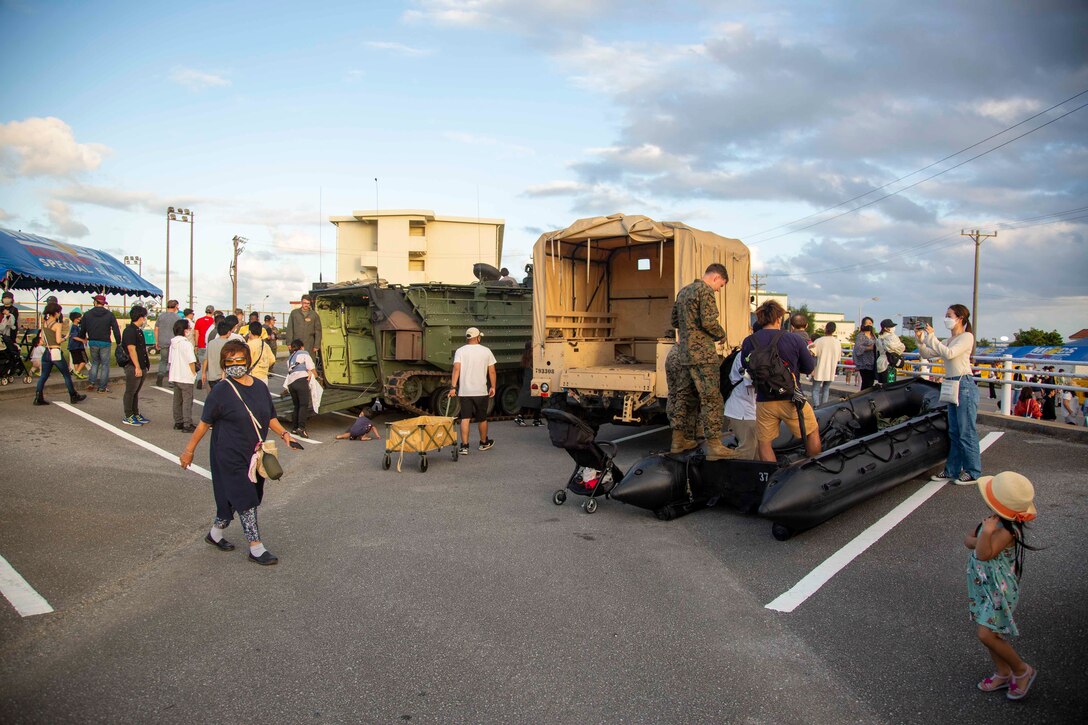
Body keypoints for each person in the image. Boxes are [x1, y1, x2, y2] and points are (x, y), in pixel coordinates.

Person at [180, 340, 295, 566]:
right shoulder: (221, 391)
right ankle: (256, 548)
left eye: (239, 360)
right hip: (228, 453)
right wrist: (188, 451)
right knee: (245, 498)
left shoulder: (260, 387)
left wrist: (284, 434)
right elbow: (203, 424)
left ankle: (214, 534)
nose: (235, 365)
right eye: (229, 361)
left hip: (253, 453)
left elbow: (269, 416)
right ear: (224, 364)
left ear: (248, 361)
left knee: (237, 498)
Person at [965, 471, 1038, 700]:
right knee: (991, 634)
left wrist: (986, 535)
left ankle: (1021, 670)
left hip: (999, 590)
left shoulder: (1007, 531)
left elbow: (985, 554)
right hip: (983, 586)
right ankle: (1003, 672)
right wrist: (982, 535)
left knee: (986, 635)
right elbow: (968, 541)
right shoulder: (991, 521)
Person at [741, 299, 820, 462]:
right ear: (778, 319)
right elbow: (809, 368)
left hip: (763, 400)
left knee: (765, 443)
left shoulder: (749, 341)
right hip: (792, 399)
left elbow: (746, 367)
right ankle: (814, 468)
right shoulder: (794, 339)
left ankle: (772, 478)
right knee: (812, 431)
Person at [668, 263, 733, 459]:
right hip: (703, 354)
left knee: (684, 395)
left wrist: (689, 331)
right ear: (716, 277)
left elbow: (674, 321)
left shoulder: (684, 291)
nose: (718, 289)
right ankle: (714, 446)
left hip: (685, 353)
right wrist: (721, 334)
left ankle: (678, 441)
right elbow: (708, 322)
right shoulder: (704, 291)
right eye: (720, 285)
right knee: (711, 398)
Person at [917, 304, 980, 485]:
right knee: (954, 431)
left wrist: (932, 336)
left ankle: (972, 471)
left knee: (966, 431)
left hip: (964, 384)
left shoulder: (966, 337)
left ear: (960, 318)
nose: (946, 318)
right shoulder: (948, 339)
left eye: (949, 315)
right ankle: (952, 470)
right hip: (952, 384)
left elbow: (950, 354)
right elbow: (927, 353)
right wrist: (921, 339)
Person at [449, 326, 497, 454]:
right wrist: (493, 386)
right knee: (482, 418)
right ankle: (483, 443)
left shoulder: (460, 351)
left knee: (465, 418)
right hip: (481, 391)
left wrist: (453, 387)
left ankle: (464, 446)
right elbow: (491, 371)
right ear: (478, 337)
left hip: (465, 391)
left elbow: (456, 369)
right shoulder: (486, 351)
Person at [33, 303, 87, 406]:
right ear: (56, 312)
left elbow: (43, 340)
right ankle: (73, 395)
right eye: (59, 312)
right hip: (56, 352)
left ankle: (38, 397)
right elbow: (58, 340)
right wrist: (65, 337)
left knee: (44, 376)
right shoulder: (57, 325)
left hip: (47, 352)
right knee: (66, 375)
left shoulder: (44, 323)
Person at [723, 342, 757, 459]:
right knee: (747, 449)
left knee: (756, 448)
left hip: (747, 410)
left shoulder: (754, 353)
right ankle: (740, 475)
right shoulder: (745, 355)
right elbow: (751, 383)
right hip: (742, 411)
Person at [82, 294, 122, 393]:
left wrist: (83, 336)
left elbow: (83, 328)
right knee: (105, 364)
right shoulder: (109, 314)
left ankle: (91, 382)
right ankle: (102, 387)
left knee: (95, 362)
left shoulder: (87, 314)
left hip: (93, 341)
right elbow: (115, 328)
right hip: (105, 342)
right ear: (103, 303)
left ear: (95, 302)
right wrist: (118, 341)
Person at [120, 305, 152, 426]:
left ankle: (135, 413)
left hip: (142, 366)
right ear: (140, 317)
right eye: (144, 317)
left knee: (136, 391)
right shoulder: (129, 331)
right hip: (133, 366)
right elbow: (131, 349)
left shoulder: (139, 331)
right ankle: (128, 415)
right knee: (130, 391)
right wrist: (137, 367)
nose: (145, 319)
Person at [168, 319, 197, 432]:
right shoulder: (186, 344)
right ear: (185, 331)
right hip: (185, 376)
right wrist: (194, 373)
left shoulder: (173, 344)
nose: (190, 331)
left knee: (177, 400)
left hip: (175, 375)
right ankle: (187, 424)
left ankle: (178, 421)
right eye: (189, 329)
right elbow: (191, 361)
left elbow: (170, 360)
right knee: (187, 401)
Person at [284, 339, 316, 438]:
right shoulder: (304, 353)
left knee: (297, 405)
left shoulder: (289, 359)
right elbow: (311, 368)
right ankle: (301, 428)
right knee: (303, 405)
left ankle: (294, 428)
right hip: (301, 381)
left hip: (291, 383)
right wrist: (316, 375)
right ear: (301, 347)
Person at [203, 320, 240, 390]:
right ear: (229, 332)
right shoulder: (229, 345)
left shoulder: (211, 343)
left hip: (211, 376)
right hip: (224, 376)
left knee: (214, 396)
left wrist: (203, 373)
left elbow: (206, 359)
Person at [513, 340, 543, 427]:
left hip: (528, 380)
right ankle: (524, 417)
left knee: (534, 398)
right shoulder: (533, 358)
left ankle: (535, 418)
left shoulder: (525, 358)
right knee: (536, 398)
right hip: (532, 379)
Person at [810, 322, 840, 407]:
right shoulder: (837, 342)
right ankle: (824, 406)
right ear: (834, 330)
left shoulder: (819, 341)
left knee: (815, 389)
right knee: (826, 388)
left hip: (819, 368)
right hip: (831, 369)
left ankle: (816, 406)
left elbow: (812, 352)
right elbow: (838, 357)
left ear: (825, 329)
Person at [286, 294, 321, 360]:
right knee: (296, 362)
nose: (306, 305)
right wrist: (289, 343)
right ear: (301, 302)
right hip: (296, 344)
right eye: (304, 303)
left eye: (308, 303)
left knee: (309, 363)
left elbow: (318, 331)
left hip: (309, 344)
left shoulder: (314, 315)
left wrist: (316, 345)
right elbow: (290, 328)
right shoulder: (294, 313)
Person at [154, 299, 181, 387]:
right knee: (172, 362)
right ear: (175, 306)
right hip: (173, 342)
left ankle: (160, 376)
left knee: (163, 360)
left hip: (163, 341)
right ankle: (171, 381)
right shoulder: (177, 317)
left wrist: (157, 341)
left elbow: (156, 329)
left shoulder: (161, 316)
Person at [874, 318, 905, 386]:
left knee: (883, 385)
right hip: (889, 362)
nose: (893, 328)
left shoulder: (879, 338)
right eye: (891, 326)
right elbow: (901, 348)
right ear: (885, 328)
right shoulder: (892, 337)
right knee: (890, 385)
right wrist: (902, 345)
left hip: (880, 362)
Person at [193, 305, 216, 389]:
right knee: (208, 365)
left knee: (202, 363)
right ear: (213, 312)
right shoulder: (213, 321)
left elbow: (196, 333)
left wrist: (196, 344)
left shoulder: (199, 320)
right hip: (209, 345)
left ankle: (199, 378)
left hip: (200, 345)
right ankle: (202, 379)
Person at [853, 316, 877, 389]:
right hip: (863, 363)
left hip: (872, 362)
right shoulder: (860, 336)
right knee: (866, 382)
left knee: (870, 382)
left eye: (871, 323)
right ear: (863, 325)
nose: (869, 325)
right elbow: (857, 349)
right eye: (868, 323)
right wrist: (869, 348)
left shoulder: (874, 336)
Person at [67, 311, 89, 379]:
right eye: (80, 317)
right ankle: (77, 372)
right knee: (84, 360)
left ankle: (77, 373)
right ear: (76, 319)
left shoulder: (74, 327)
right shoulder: (75, 327)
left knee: (76, 361)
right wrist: (83, 340)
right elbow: (74, 336)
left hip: (72, 347)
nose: (81, 319)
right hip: (77, 346)